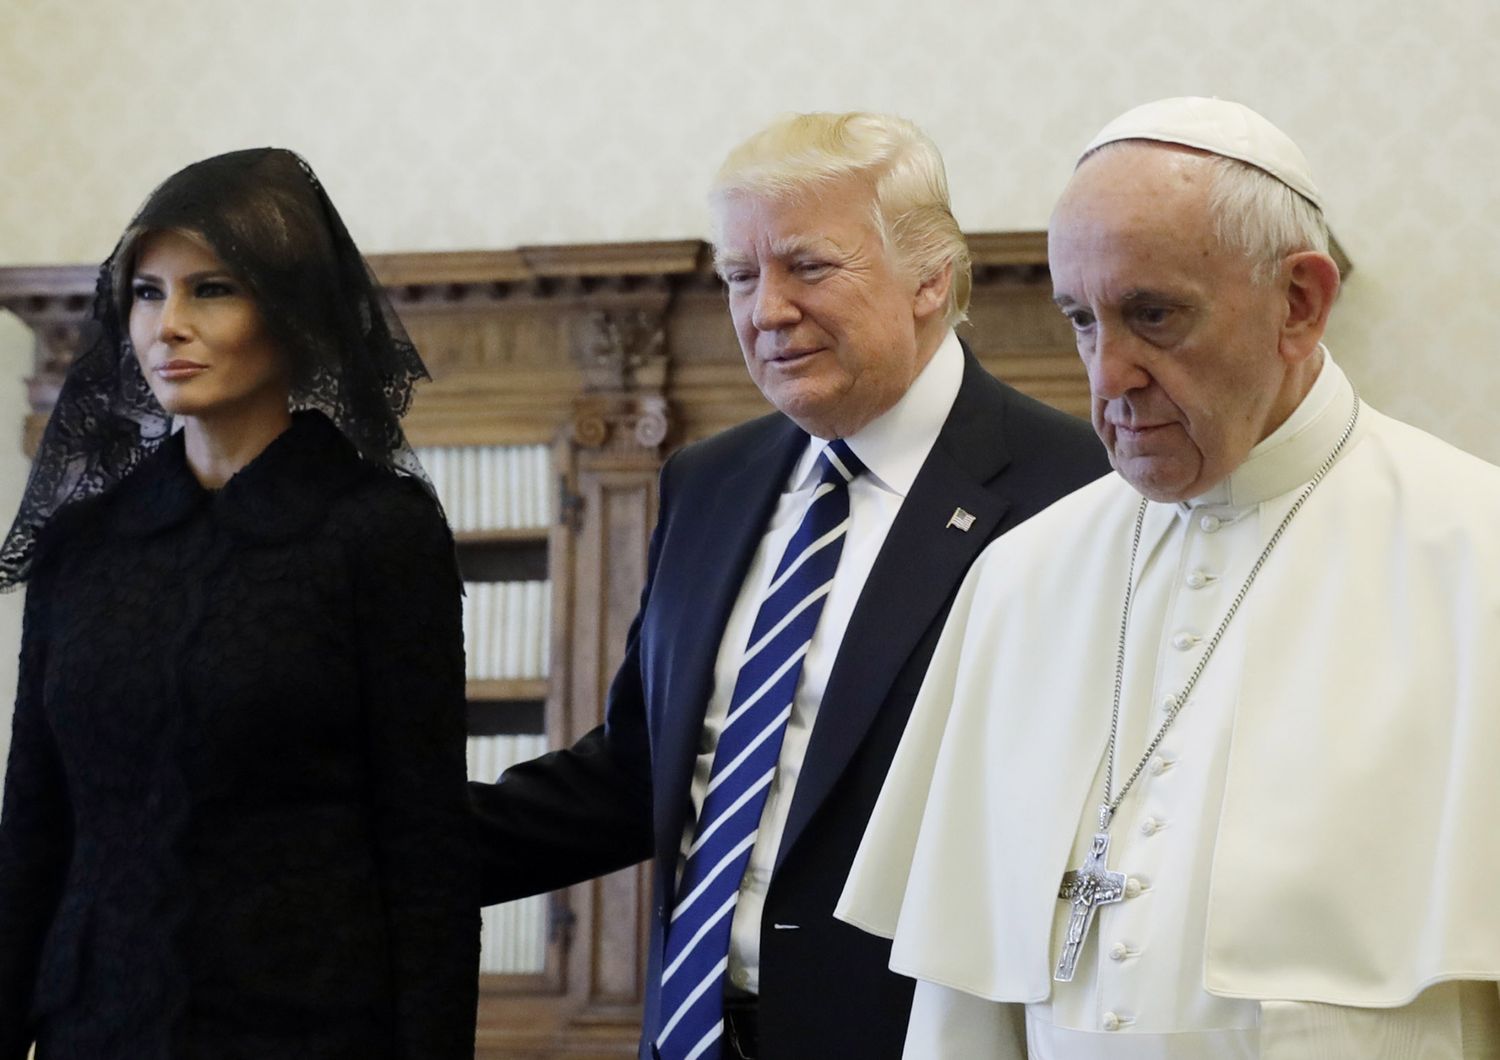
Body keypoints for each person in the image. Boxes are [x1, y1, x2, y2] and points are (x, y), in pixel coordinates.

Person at [836, 97, 1500, 1057]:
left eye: (1155, 316)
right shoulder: (1020, 580)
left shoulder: (1476, 553)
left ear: (1300, 304)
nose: (1109, 376)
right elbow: (963, 1002)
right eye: (1082, 320)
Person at [469, 111, 1108, 1060]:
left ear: (932, 277)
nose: (766, 310)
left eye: (808, 267)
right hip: (695, 1032)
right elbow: (642, 775)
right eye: (740, 276)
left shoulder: (1077, 493)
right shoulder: (708, 481)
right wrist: (346, 846)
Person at [0, 148, 478, 1059]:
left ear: (291, 309)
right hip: (92, 1030)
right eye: (147, 293)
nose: (168, 326)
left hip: (309, 1033)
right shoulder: (83, 543)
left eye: (211, 290)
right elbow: (33, 825)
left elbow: (426, 852)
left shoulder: (378, 533)